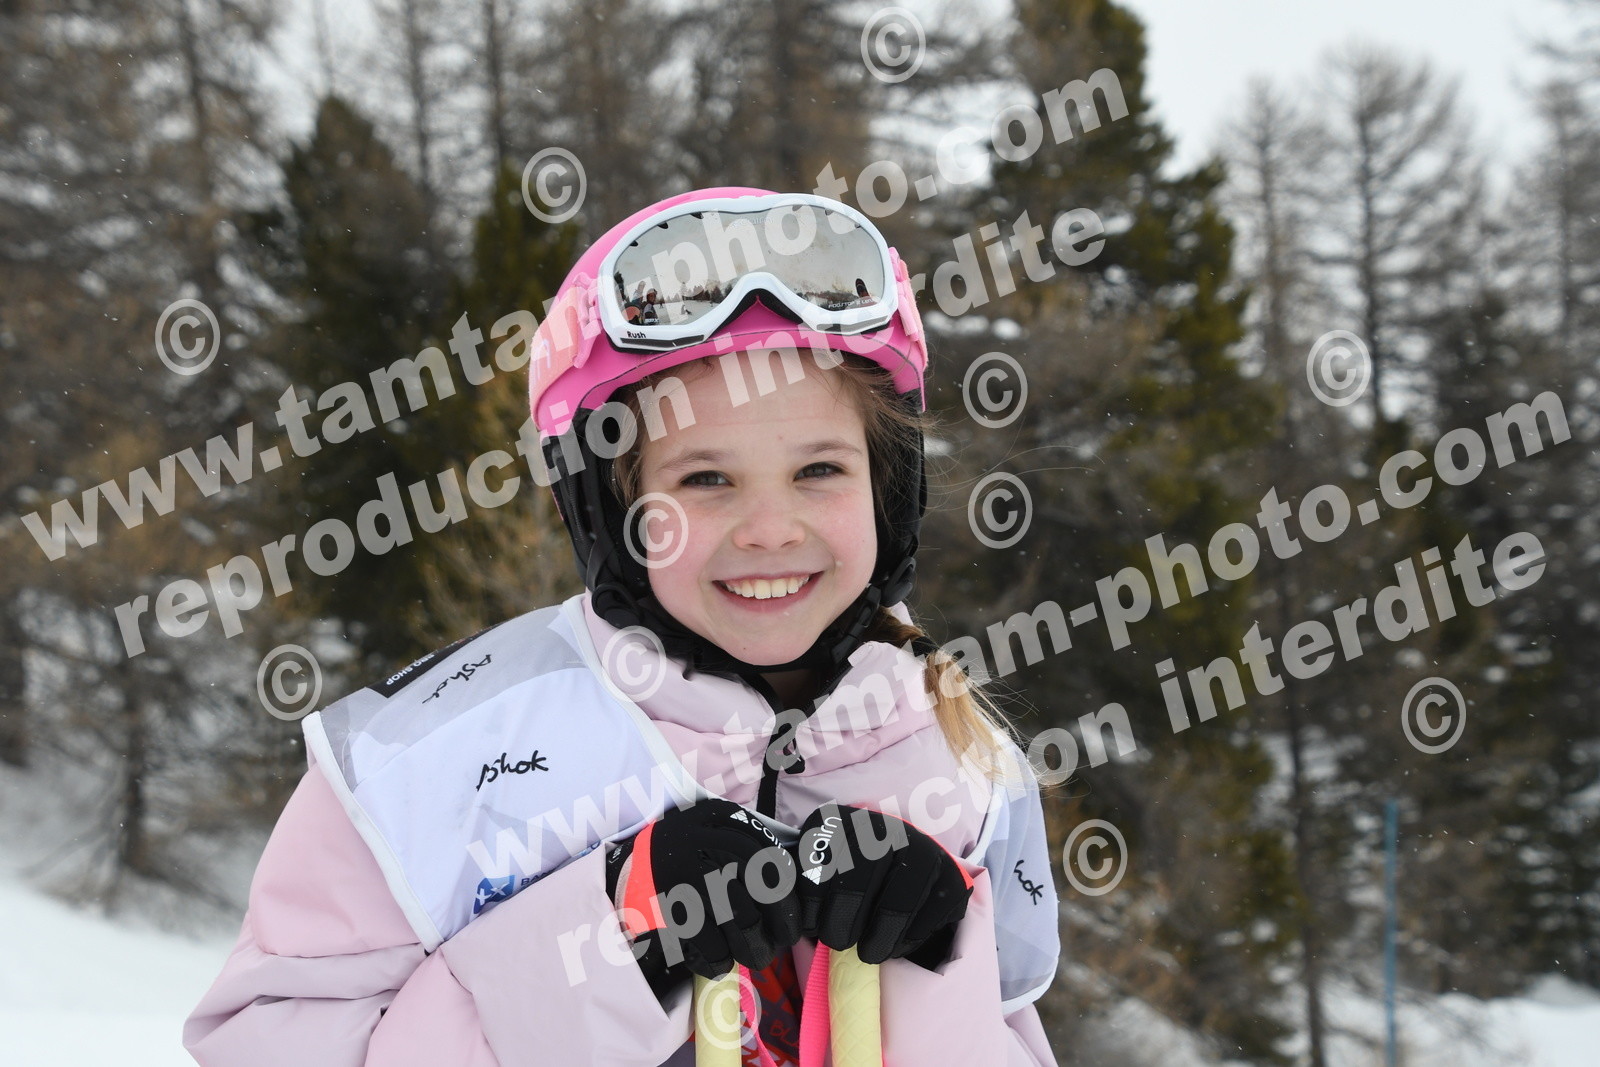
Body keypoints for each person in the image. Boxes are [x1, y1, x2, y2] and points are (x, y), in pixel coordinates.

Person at [182, 187, 1060, 1066]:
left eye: (819, 470)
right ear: (611, 511)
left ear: (889, 488)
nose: (769, 529)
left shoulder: (968, 766)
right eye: (705, 479)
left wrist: (935, 964)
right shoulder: (434, 763)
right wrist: (611, 946)